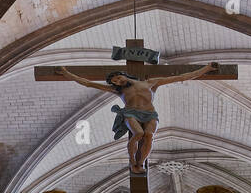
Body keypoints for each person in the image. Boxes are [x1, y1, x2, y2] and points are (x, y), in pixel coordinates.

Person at [57, 61, 217, 169]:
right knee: (138, 133)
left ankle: (140, 163)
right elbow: (88, 83)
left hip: (150, 114)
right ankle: (132, 160)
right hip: (131, 113)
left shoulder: (151, 82)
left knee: (149, 136)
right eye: (116, 82)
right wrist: (66, 73)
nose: (118, 82)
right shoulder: (118, 90)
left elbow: (182, 77)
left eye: (119, 78)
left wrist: (206, 69)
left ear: (124, 75)